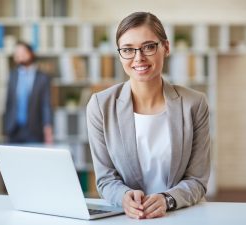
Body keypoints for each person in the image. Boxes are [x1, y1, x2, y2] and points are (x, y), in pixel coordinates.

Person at [87, 12, 210, 220]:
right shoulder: (100, 106)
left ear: (166, 48)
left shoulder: (194, 104)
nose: (138, 58)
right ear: (120, 54)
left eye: (148, 47)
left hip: (183, 215)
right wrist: (124, 196)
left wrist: (167, 199)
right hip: (127, 217)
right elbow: (106, 179)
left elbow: (197, 179)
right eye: (128, 49)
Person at [3, 42, 53, 143]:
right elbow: (8, 102)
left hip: (34, 130)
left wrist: (48, 129)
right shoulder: (12, 75)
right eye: (17, 53)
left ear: (31, 53)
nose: (20, 56)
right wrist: (5, 126)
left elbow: (46, 104)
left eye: (23, 52)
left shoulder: (43, 77)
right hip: (13, 129)